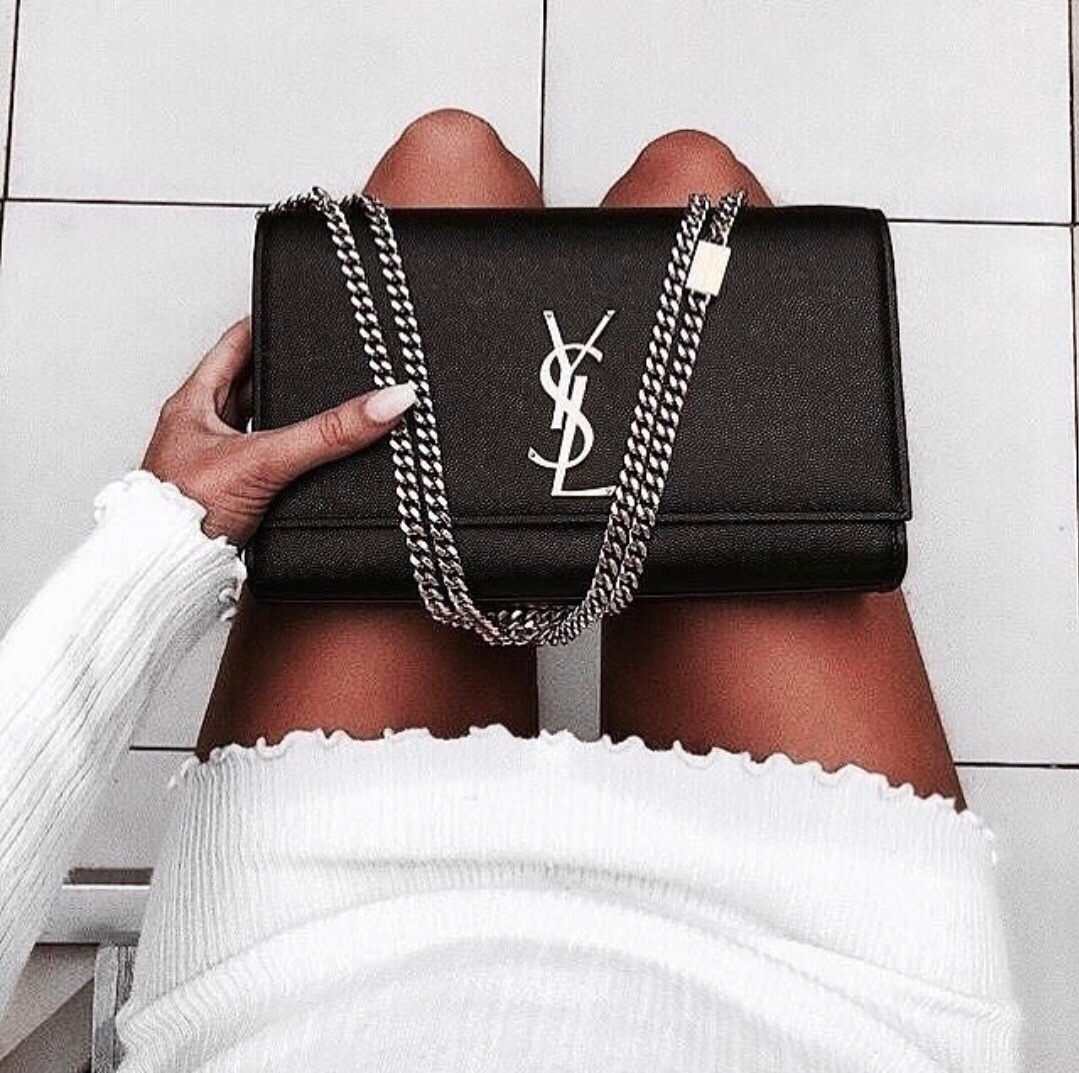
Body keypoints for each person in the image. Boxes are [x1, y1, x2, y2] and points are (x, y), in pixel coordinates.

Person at [0, 110, 1020, 1071]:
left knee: (447, 160)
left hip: (297, 961)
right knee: (689, 176)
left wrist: (159, 538)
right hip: (830, 992)